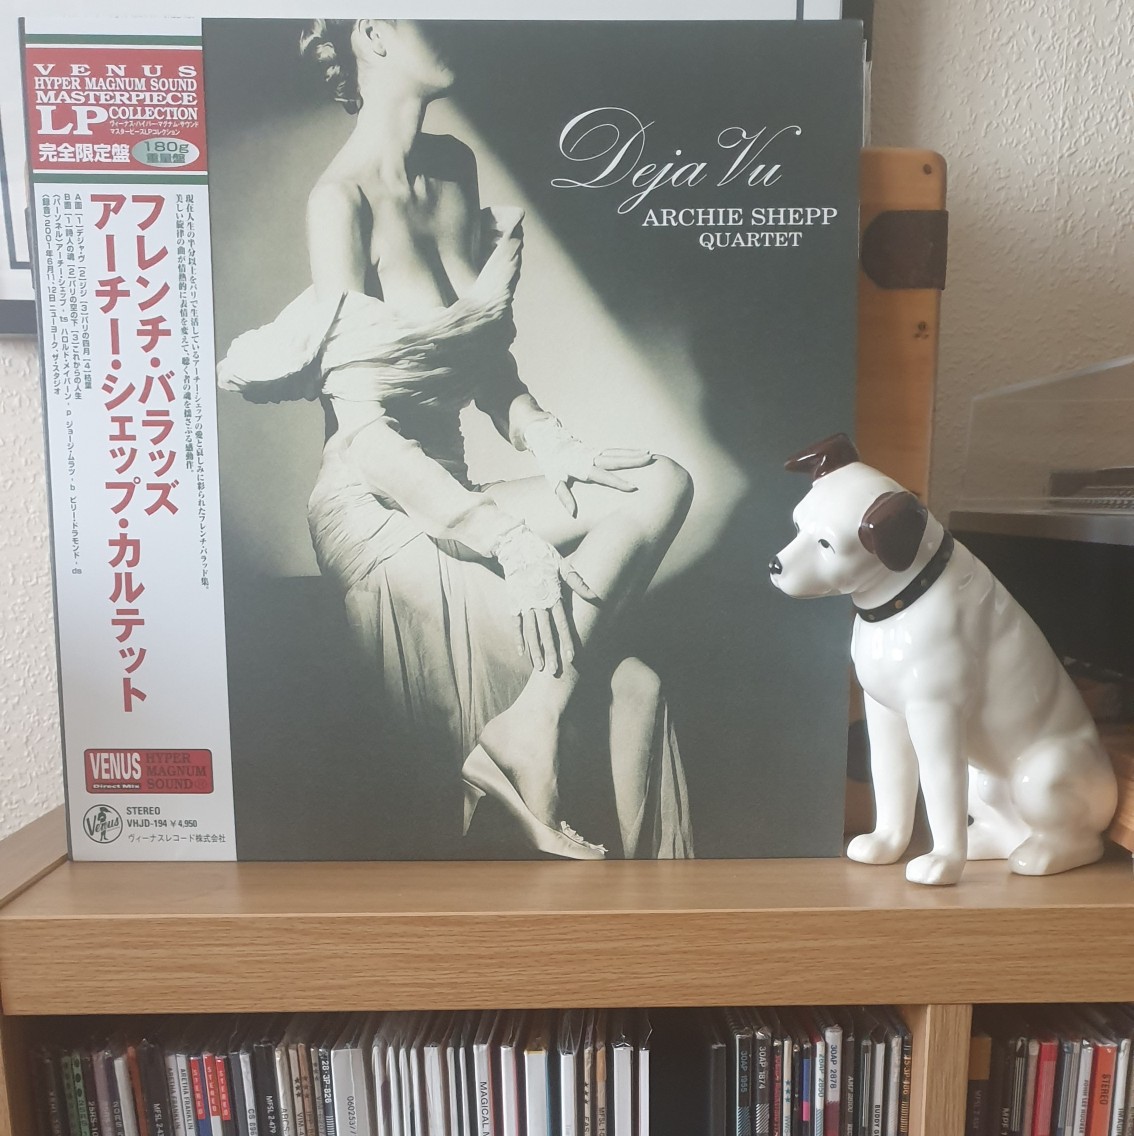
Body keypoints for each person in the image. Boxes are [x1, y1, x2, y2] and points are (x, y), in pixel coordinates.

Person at [217, 18, 694, 859]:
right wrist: (510, 541)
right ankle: (571, 810)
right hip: (379, 511)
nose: (454, 27)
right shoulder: (339, 201)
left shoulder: (453, 169)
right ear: (373, 33)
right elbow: (366, 438)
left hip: (455, 487)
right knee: (635, 689)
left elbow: (482, 362)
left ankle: (530, 722)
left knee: (663, 480)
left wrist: (551, 442)